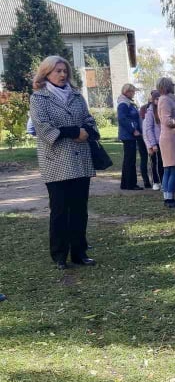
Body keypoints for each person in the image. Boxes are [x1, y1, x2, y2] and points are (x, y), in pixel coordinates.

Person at [29, 55, 98, 269]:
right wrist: (72, 132)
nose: (62, 74)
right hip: (56, 162)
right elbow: (42, 127)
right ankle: (59, 255)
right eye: (57, 71)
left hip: (80, 160)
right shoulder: (39, 98)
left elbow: (89, 120)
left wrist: (86, 131)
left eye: (64, 70)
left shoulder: (77, 96)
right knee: (59, 210)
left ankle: (79, 252)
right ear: (46, 73)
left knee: (79, 209)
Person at [157, 77, 175, 208]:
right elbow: (167, 121)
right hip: (171, 139)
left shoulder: (168, 99)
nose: (174, 85)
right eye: (172, 84)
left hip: (172, 138)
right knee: (173, 168)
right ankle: (169, 198)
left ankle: (168, 197)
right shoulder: (164, 100)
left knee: (169, 169)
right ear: (168, 86)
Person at [117, 83, 150, 190]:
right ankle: (130, 184)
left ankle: (126, 183)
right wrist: (133, 130)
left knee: (129, 159)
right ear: (127, 92)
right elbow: (122, 119)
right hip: (128, 136)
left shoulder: (128, 103)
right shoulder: (123, 104)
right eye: (133, 92)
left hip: (130, 135)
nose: (134, 94)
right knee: (130, 160)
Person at [142, 90, 163, 190]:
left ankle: (163, 181)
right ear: (153, 100)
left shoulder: (163, 110)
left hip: (163, 141)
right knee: (154, 162)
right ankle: (155, 181)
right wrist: (152, 144)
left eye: (160, 98)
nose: (158, 101)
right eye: (156, 99)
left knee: (162, 163)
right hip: (155, 142)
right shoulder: (150, 112)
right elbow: (148, 129)